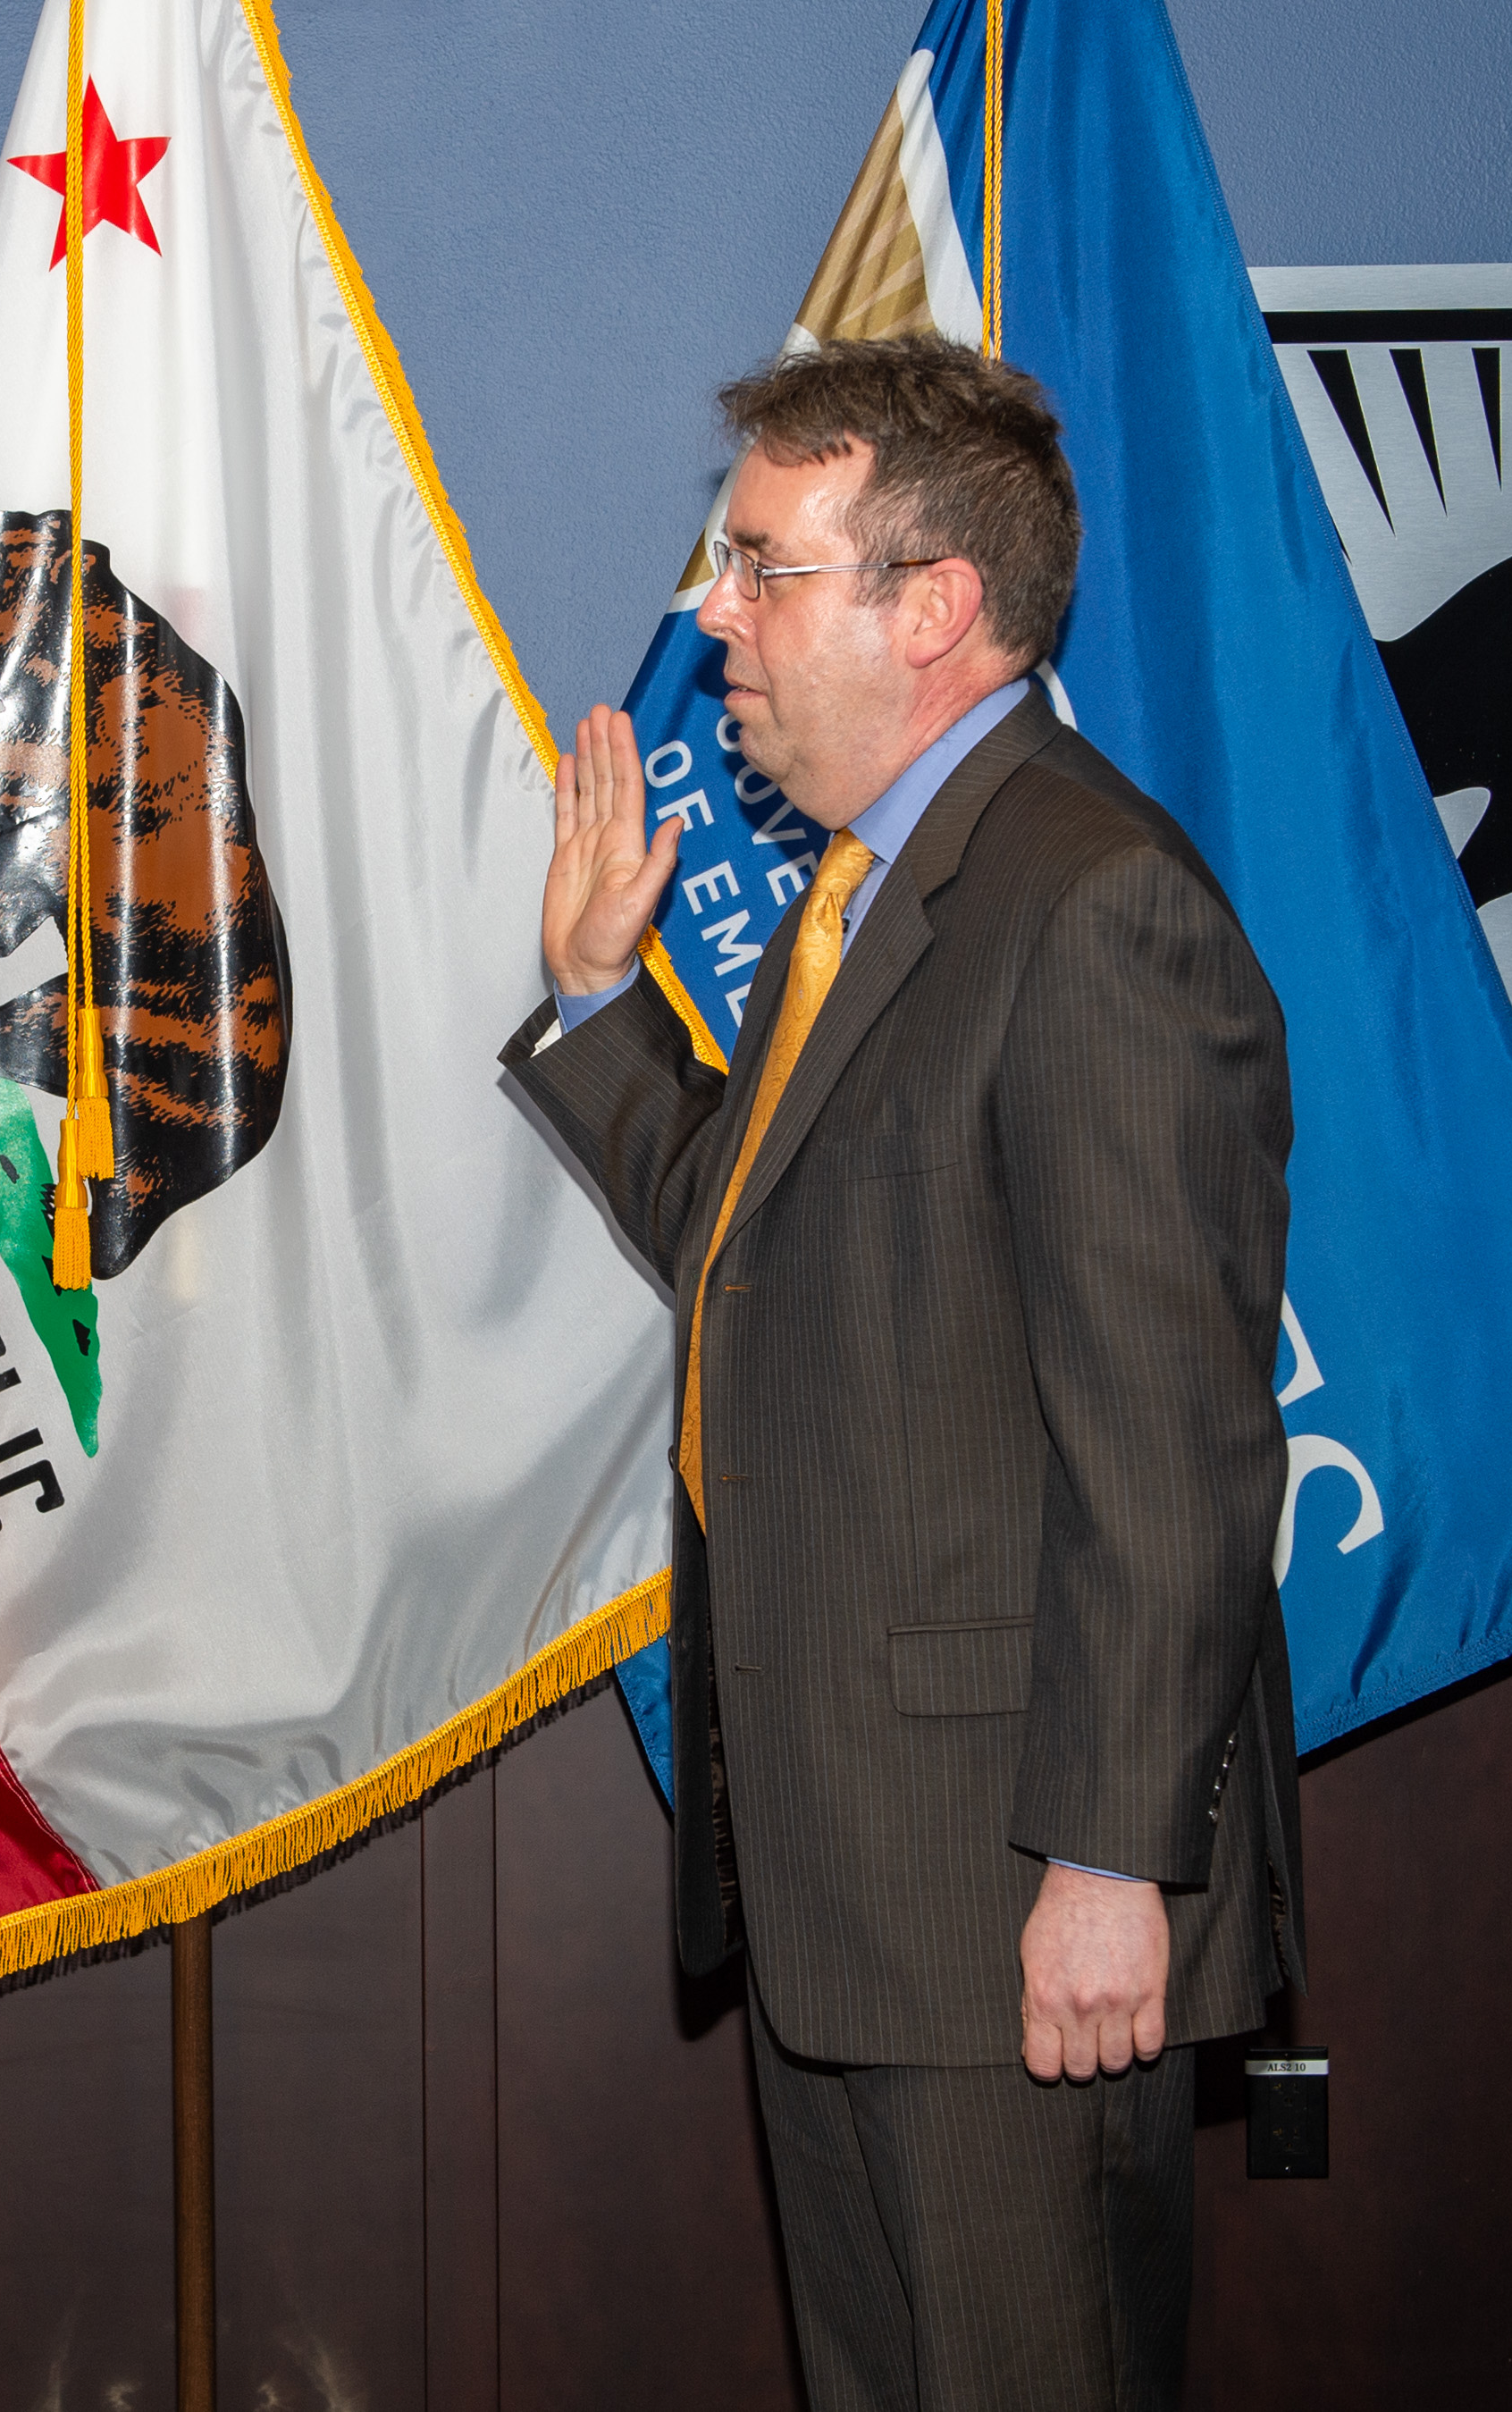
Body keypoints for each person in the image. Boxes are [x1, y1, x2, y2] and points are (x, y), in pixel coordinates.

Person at [504, 335, 1305, 2410]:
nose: (715, 616)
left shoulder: (1095, 906)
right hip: (854, 1886)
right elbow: (758, 1251)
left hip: (1009, 1904)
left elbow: (1175, 1452)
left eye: (762, 567)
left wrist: (1112, 1868)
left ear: (932, 605)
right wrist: (597, 1000)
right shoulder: (864, 893)